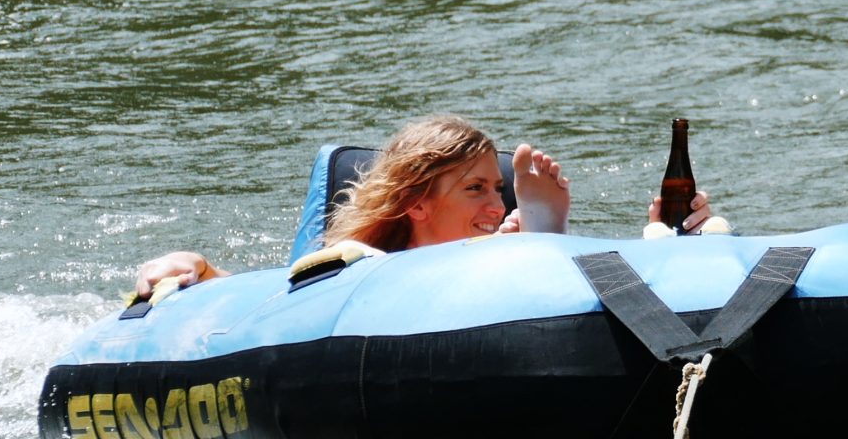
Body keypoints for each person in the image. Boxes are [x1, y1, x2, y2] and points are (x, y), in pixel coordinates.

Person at [124, 114, 705, 301]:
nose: (493, 201)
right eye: (475, 189)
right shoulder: (357, 267)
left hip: (515, 285)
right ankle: (543, 235)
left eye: (498, 190)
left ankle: (546, 236)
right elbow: (266, 303)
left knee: (526, 257)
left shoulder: (502, 250)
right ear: (417, 206)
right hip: (400, 305)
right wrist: (196, 268)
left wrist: (668, 241)